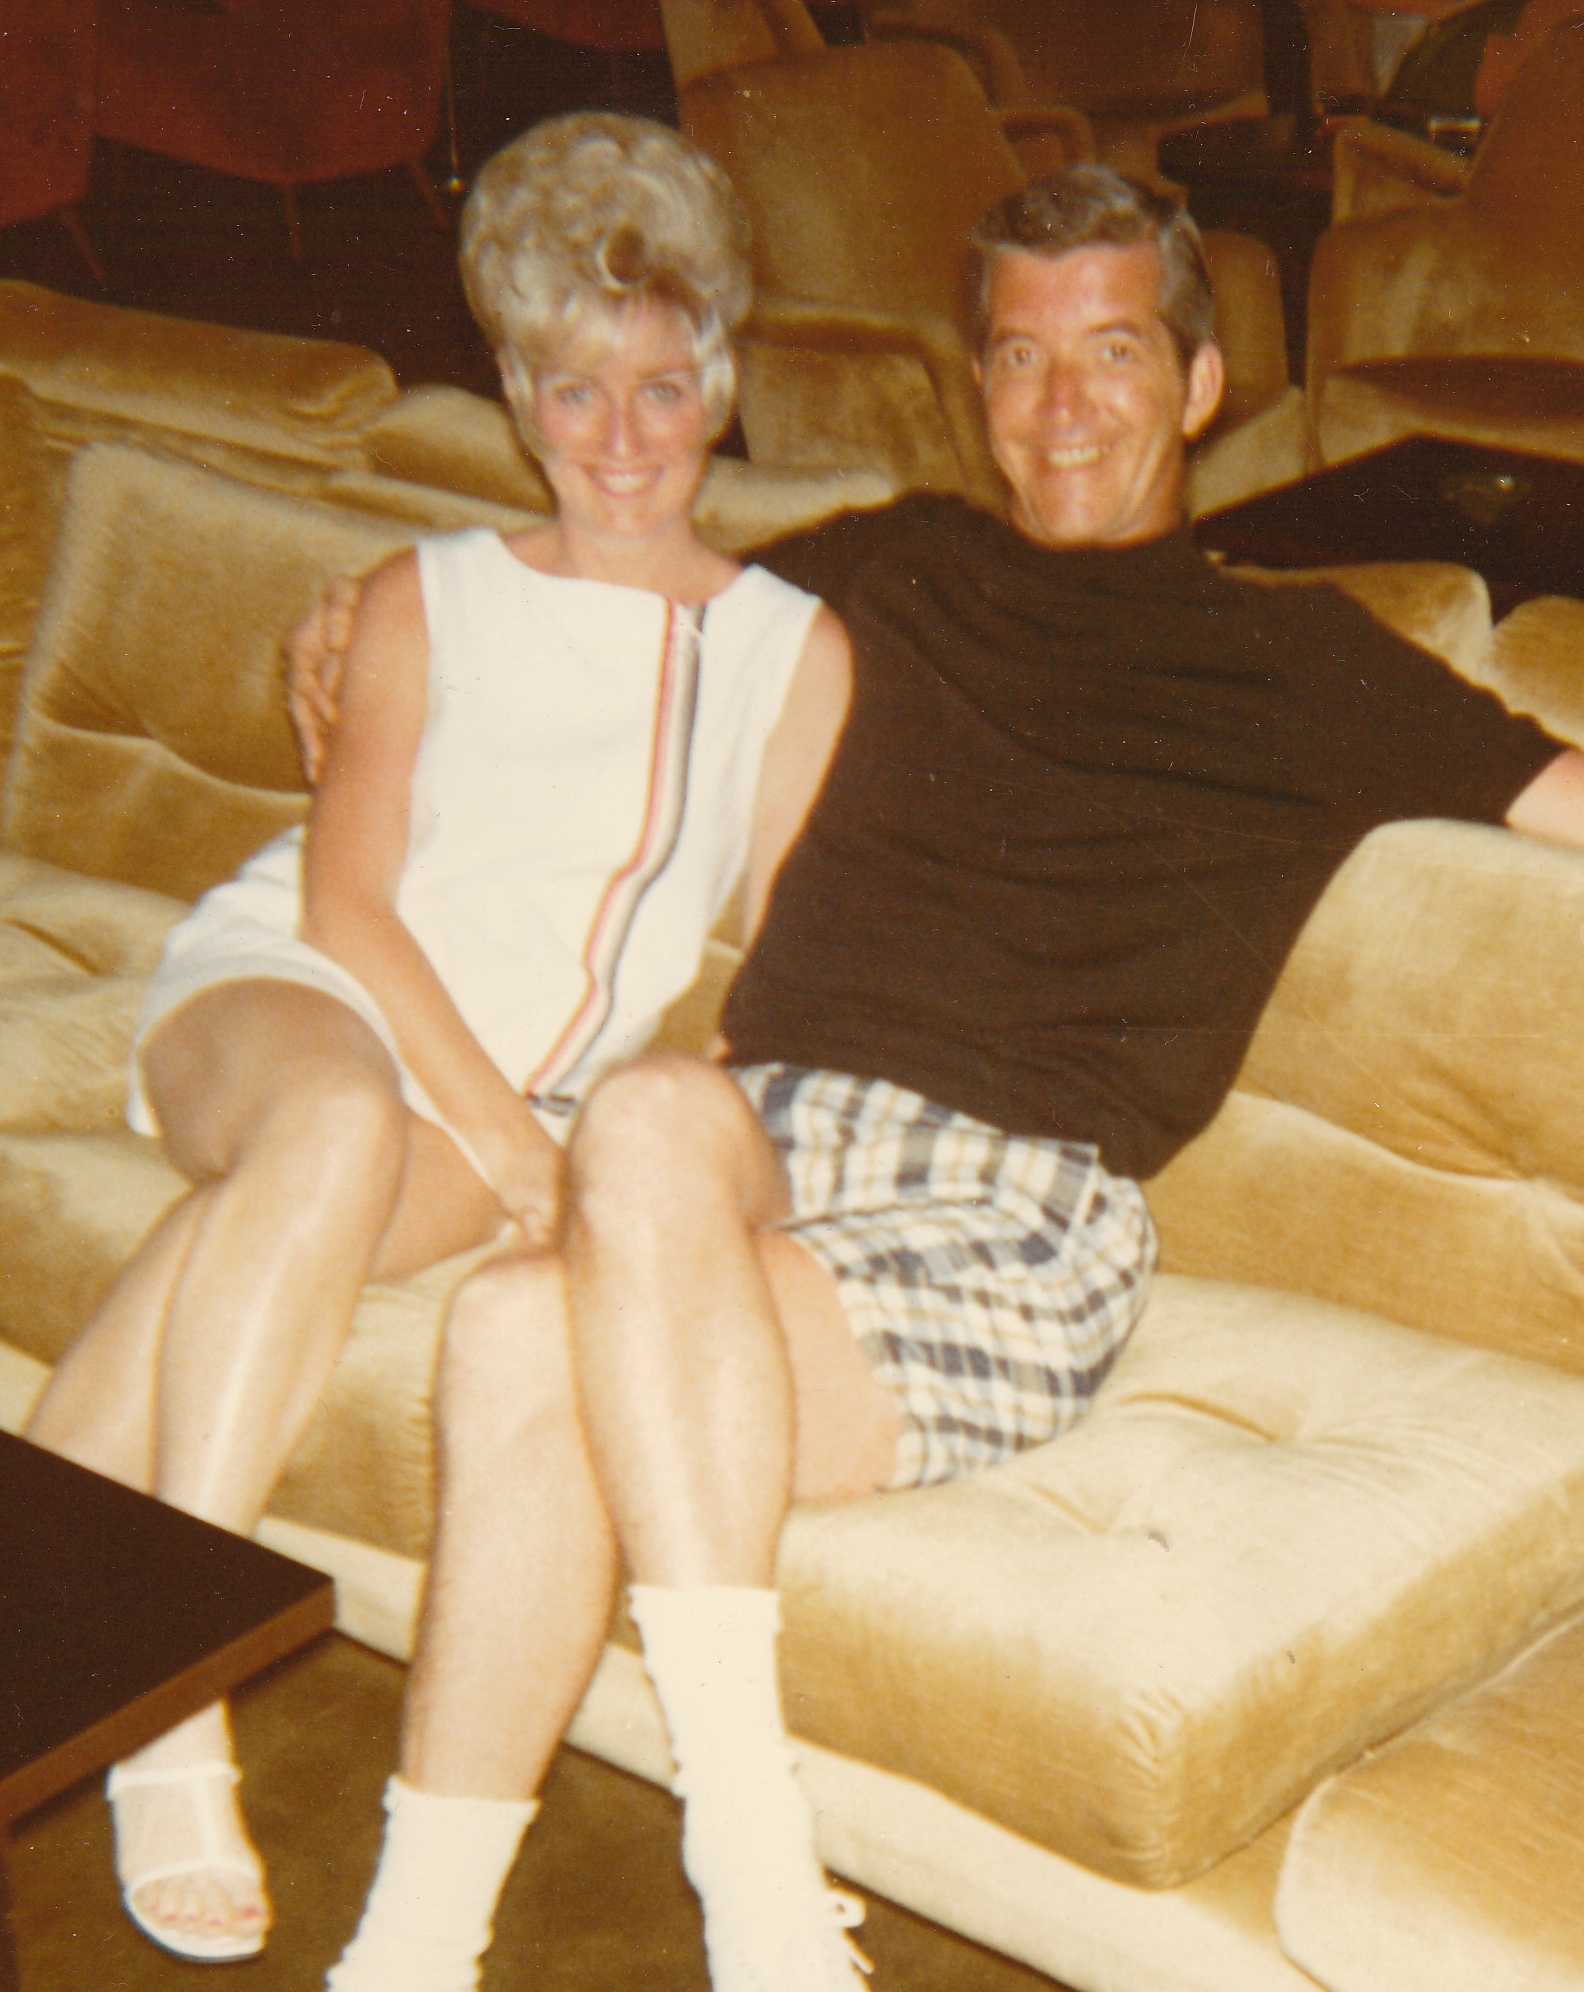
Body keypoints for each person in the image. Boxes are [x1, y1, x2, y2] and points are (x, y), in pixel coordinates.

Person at [295, 164, 1584, 1992]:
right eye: (1021, 357)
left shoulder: (1308, 659)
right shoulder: (890, 562)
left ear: (1199, 384)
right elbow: (604, 569)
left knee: (527, 1322)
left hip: (1019, 1206)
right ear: (978, 389)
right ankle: (637, 1884)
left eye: (1114, 352)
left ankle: (552, 1902)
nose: (1064, 406)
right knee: (639, 1132)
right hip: (760, 1140)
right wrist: (351, 617)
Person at [24, 111, 850, 1968]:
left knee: (249, 1237)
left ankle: (45, 1566)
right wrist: (527, 1155)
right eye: (573, 389)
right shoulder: (424, 596)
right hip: (296, 996)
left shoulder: (793, 648)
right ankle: (172, 1696)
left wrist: (642, 1159)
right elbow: (347, 907)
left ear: (720, 388)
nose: (620, 438)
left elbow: (795, 961)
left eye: (661, 387)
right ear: (517, 397)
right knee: (320, 1137)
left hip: (503, 1099)